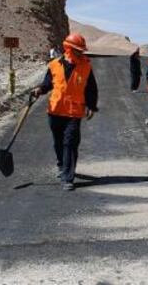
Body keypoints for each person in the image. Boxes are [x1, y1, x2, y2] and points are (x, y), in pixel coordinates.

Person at [31, 33, 98, 191]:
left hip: (74, 112)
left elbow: (91, 89)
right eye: (77, 50)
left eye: (82, 51)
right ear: (68, 48)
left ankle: (68, 177)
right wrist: (39, 89)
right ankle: (62, 164)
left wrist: (91, 106)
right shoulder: (54, 65)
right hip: (55, 111)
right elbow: (48, 83)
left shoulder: (86, 66)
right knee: (59, 142)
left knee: (71, 143)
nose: (81, 54)